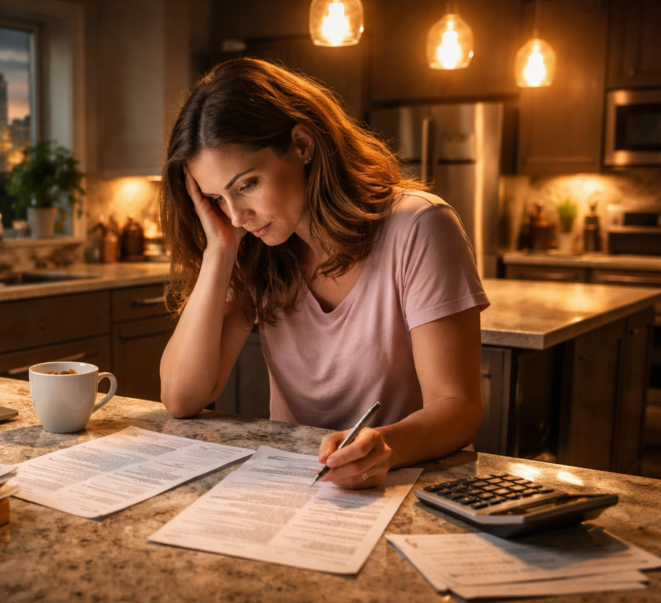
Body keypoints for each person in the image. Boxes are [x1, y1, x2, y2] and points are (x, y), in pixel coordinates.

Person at [159, 59, 489, 489]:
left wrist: (385, 445)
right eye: (216, 198)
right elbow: (182, 398)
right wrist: (220, 250)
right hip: (296, 487)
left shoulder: (421, 225)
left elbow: (458, 405)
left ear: (301, 144)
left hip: (406, 485)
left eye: (247, 185)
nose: (237, 216)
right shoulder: (253, 247)